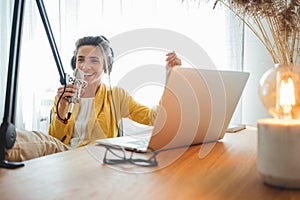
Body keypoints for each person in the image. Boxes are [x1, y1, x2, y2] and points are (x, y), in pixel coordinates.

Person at [6, 35, 181, 161]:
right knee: (34, 139)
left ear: (106, 66)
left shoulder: (116, 95)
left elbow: (154, 118)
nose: (85, 66)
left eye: (94, 61)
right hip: (66, 154)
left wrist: (170, 78)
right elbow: (54, 140)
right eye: (80, 60)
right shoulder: (65, 95)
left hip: (95, 157)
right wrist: (61, 109)